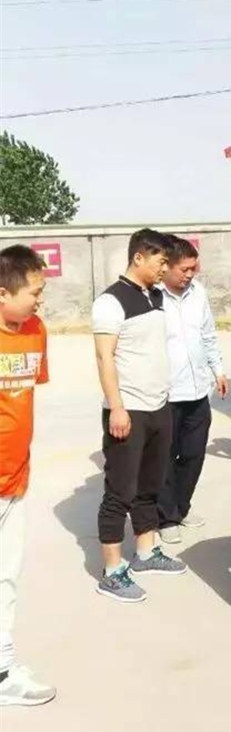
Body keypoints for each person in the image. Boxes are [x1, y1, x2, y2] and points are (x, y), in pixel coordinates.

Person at [92, 228, 187, 603]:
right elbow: (104, 357)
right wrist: (116, 406)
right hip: (127, 409)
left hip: (158, 406)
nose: (165, 268)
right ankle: (112, 571)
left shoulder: (156, 296)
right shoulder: (111, 301)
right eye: (161, 261)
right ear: (139, 257)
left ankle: (146, 552)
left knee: (150, 485)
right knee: (120, 491)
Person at [0, 245, 56, 706]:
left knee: (7, 576)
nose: (41, 300)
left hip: (15, 478)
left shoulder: (36, 330)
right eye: (34, 292)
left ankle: (2, 666)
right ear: (3, 292)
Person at [157, 236, 229, 544]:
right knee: (164, 458)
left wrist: (218, 369)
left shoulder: (198, 293)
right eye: (184, 269)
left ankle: (181, 507)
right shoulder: (151, 297)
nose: (190, 275)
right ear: (167, 266)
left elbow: (208, 334)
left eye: (193, 269)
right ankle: (166, 517)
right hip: (166, 393)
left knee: (193, 454)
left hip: (199, 390)